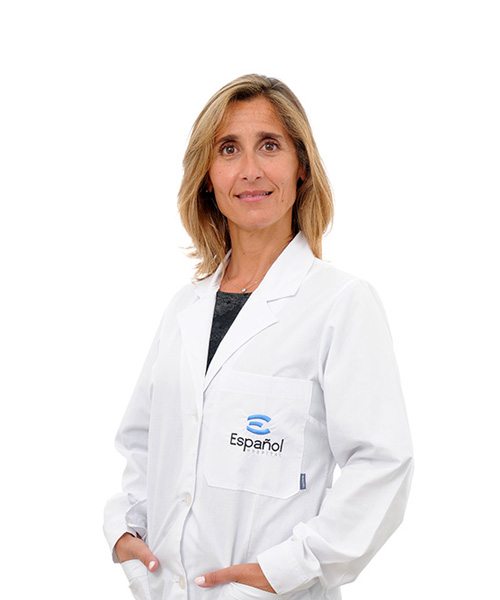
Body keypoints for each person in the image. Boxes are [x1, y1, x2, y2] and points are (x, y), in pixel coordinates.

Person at [103, 74, 413, 600]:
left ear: (301, 166)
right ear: (207, 176)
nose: (250, 170)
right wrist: (127, 530)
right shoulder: (184, 308)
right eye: (228, 149)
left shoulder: (341, 304)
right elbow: (143, 443)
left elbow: (383, 463)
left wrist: (290, 567)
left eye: (269, 145)